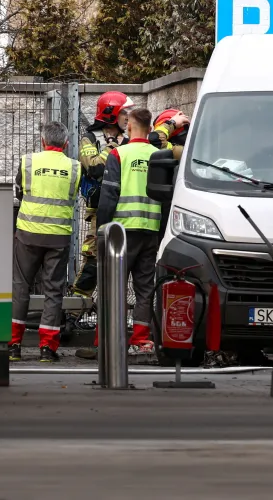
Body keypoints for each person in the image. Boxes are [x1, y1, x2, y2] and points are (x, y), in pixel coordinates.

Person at [78, 107, 162, 358]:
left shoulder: (119, 154)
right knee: (145, 288)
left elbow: (109, 193)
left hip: (121, 233)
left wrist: (103, 229)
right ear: (149, 128)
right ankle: (141, 341)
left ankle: (105, 341)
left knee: (111, 286)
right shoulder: (160, 155)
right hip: (150, 231)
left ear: (130, 126)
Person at [10, 121, 81, 363]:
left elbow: (20, 192)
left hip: (28, 233)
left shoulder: (28, 161)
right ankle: (47, 349)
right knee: (53, 290)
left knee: (20, 287)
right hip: (58, 237)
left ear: (42, 141)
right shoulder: (75, 167)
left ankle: (13, 346)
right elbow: (73, 196)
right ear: (66, 143)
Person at [70, 91, 135, 298]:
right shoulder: (89, 139)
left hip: (126, 209)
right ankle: (73, 314)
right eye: (125, 112)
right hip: (99, 210)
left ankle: (112, 316)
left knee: (122, 262)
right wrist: (113, 148)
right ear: (111, 113)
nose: (128, 117)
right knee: (93, 261)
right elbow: (93, 168)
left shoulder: (132, 140)